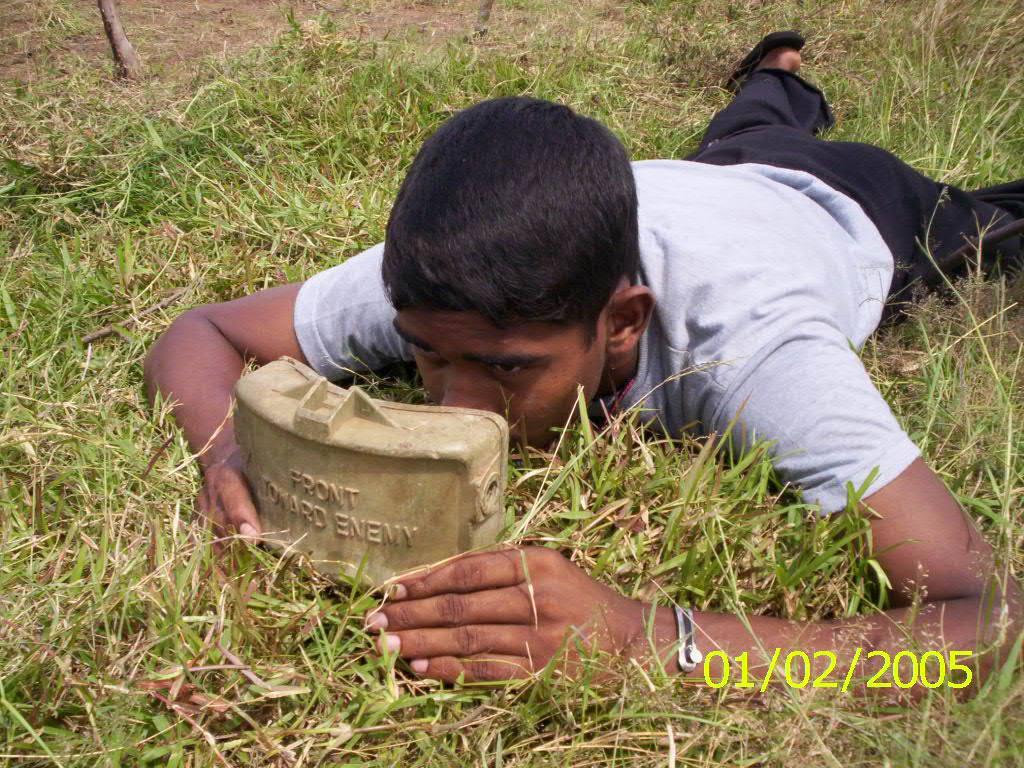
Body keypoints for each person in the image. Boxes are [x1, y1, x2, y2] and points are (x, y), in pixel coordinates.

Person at [144, 33, 1022, 689]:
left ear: (624, 323)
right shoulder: (447, 284)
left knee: (993, 225)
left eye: (508, 370)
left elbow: (992, 626)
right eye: (427, 356)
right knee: (752, 123)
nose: (455, 406)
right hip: (709, 177)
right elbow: (202, 332)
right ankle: (778, 70)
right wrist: (229, 452)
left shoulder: (753, 347)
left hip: (858, 207)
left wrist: (653, 638)